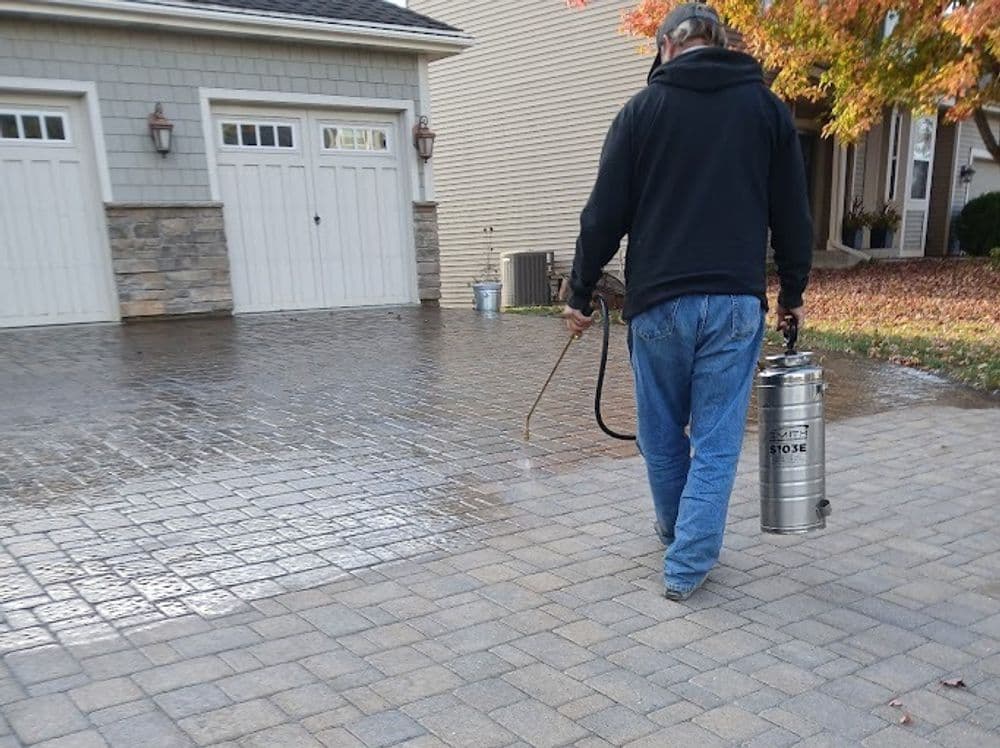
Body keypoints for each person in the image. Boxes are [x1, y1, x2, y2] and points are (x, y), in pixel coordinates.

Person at [563, 2, 813, 600]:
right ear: (719, 43)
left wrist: (578, 291)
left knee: (661, 432)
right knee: (718, 437)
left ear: (666, 47)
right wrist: (794, 292)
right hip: (734, 304)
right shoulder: (768, 111)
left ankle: (679, 534)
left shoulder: (641, 111)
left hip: (658, 306)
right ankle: (687, 560)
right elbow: (793, 215)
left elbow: (603, 215)